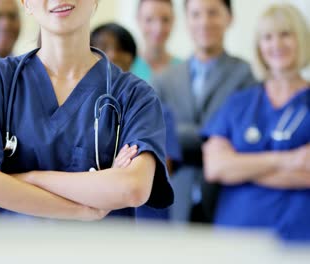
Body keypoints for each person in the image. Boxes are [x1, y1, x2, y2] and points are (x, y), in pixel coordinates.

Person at [0, 0, 173, 222]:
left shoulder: (135, 96)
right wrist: (85, 209)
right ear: (26, 3)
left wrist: (22, 179)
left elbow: (132, 189)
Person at [202, 4, 310, 241]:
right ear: (259, 47)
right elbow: (216, 167)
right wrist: (291, 160)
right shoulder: (239, 103)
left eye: (285, 34)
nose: (276, 44)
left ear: (301, 38)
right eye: (267, 37)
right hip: (236, 236)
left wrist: (241, 167)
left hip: (298, 239)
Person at [153, 0, 256, 223]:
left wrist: (178, 137)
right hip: (176, 200)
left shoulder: (245, 75)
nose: (204, 22)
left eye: (213, 13)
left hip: (225, 198)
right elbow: (157, 138)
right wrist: (213, 136)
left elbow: (241, 138)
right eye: (196, 14)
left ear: (229, 18)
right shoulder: (164, 80)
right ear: (187, 20)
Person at [91, 22, 181, 220]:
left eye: (121, 49)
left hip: (147, 219)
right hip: (97, 220)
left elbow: (161, 167)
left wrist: (110, 175)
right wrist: (118, 172)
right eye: (103, 47)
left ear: (132, 58)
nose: (112, 54)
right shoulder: (81, 110)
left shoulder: (155, 108)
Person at [132, 0, 181, 83]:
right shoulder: (126, 66)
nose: (158, 28)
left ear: (173, 20)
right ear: (138, 20)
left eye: (165, 20)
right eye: (149, 19)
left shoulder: (183, 70)